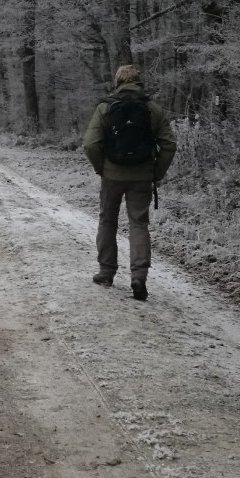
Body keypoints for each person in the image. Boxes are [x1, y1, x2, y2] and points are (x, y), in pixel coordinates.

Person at [82, 65, 177, 301]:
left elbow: (90, 144)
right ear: (139, 82)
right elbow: (169, 145)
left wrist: (101, 168)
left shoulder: (105, 108)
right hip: (142, 176)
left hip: (112, 176)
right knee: (139, 224)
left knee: (107, 221)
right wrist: (156, 172)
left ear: (117, 82)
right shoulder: (153, 110)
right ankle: (139, 276)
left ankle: (106, 272)